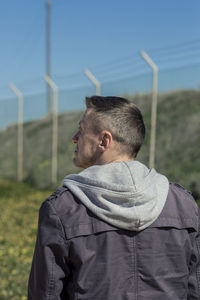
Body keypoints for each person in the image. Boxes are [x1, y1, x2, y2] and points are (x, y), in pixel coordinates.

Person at [28, 96, 200, 300]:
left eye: (81, 130)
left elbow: (45, 294)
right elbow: (194, 289)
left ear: (104, 141)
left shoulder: (61, 209)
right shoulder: (184, 204)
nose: (75, 138)